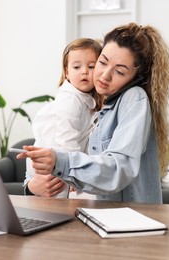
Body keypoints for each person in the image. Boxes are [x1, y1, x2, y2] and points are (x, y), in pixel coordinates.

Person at [20, 22, 169, 203]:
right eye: (102, 62)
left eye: (119, 71)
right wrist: (31, 187)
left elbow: (119, 168)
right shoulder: (87, 102)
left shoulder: (133, 98)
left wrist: (61, 163)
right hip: (86, 215)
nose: (104, 75)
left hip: (128, 220)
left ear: (136, 77)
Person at [24, 38, 103, 198]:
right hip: (52, 163)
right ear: (67, 72)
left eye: (91, 66)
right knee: (56, 204)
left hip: (56, 162)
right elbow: (67, 139)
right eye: (77, 67)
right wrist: (75, 175)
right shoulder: (71, 99)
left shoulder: (86, 100)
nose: (84, 71)